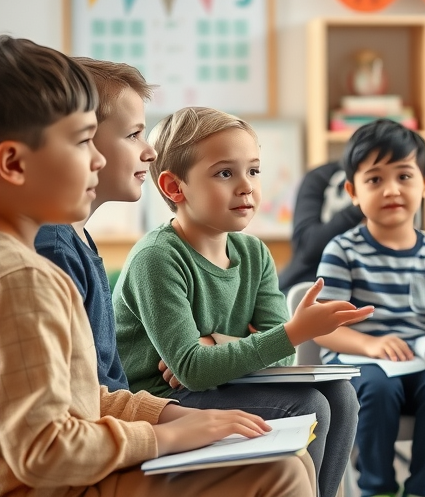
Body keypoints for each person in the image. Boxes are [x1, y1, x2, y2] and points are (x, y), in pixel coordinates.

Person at [0, 35, 314, 497]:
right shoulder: (30, 273)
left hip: (99, 442)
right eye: (84, 141)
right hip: (60, 481)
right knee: (281, 468)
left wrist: (180, 420)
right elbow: (44, 448)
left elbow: (89, 396)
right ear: (13, 162)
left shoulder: (44, 258)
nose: (98, 158)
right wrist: (166, 434)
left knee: (289, 452)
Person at [112, 106, 373, 497]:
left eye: (253, 170)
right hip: (163, 400)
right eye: (224, 173)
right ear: (173, 187)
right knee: (309, 406)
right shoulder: (157, 257)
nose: (246, 186)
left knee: (341, 396)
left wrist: (217, 343)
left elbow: (281, 358)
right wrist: (292, 333)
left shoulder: (254, 253)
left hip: (214, 385)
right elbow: (193, 371)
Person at [315, 119, 425, 497]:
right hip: (359, 363)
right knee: (377, 388)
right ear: (352, 191)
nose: (391, 190)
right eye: (375, 180)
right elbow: (324, 327)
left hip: (419, 363)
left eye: (404, 176)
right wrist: (372, 346)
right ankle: (378, 489)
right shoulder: (343, 251)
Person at [34, 57, 156, 392]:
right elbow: (85, 393)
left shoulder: (77, 237)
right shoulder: (53, 247)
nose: (150, 152)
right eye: (133, 135)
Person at [277, 159, 364, 293]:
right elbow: (307, 247)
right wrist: (362, 206)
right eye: (374, 179)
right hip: (305, 287)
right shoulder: (322, 177)